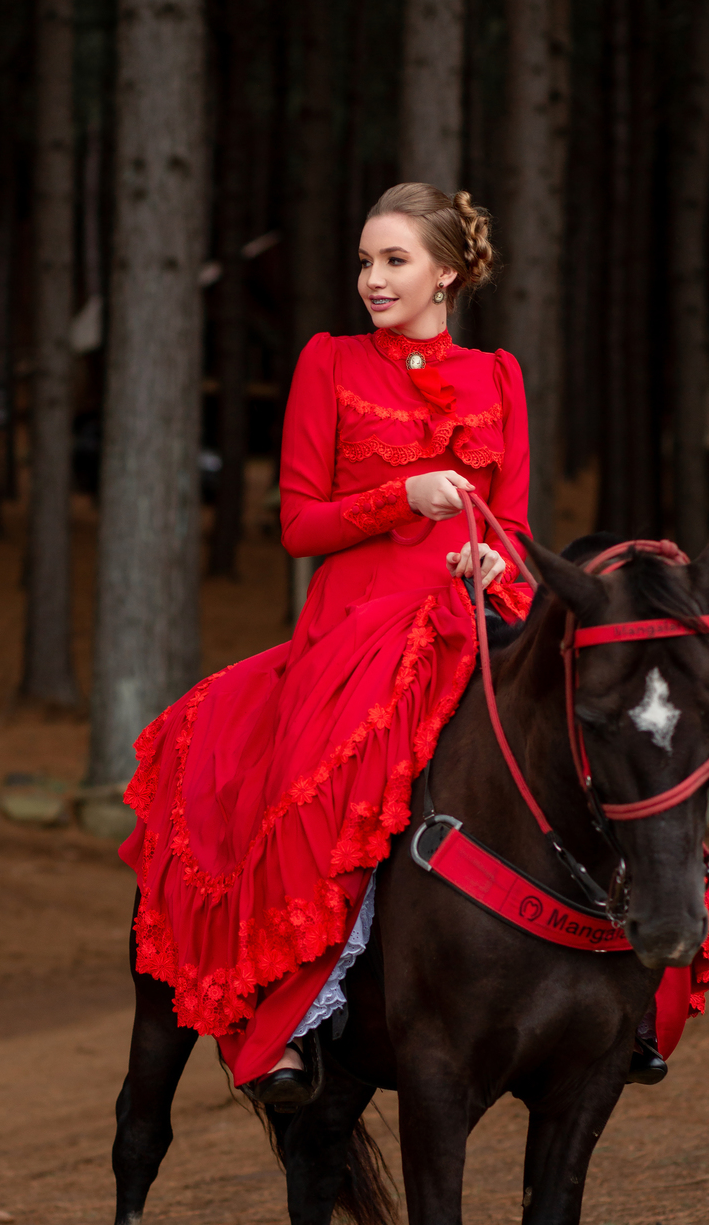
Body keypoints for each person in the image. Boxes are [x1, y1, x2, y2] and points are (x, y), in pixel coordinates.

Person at [119, 183, 533, 1107]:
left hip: (474, 605)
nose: (372, 279)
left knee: (590, 722)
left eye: (394, 261)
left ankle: (617, 984)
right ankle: (298, 1018)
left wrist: (485, 549)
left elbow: (516, 520)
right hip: (361, 625)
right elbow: (300, 525)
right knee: (329, 783)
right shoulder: (330, 362)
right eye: (364, 261)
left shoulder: (498, 376)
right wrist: (404, 498)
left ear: (448, 273)